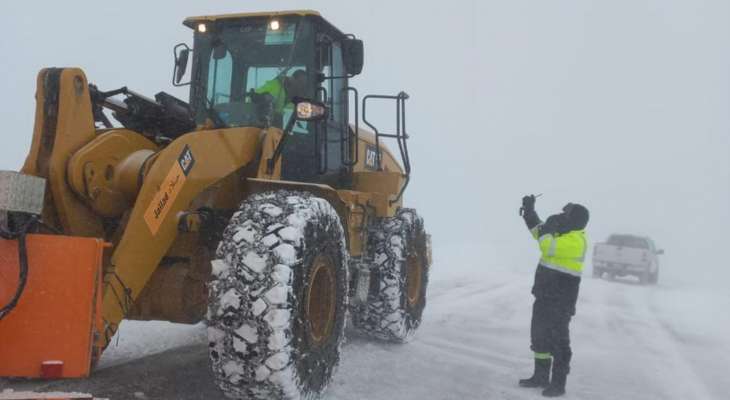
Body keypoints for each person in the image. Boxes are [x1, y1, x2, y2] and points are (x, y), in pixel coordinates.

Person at [518, 195, 589, 397]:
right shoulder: (560, 233)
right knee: (539, 336)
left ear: (575, 220)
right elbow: (537, 231)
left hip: (561, 301)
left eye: (566, 215)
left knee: (559, 341)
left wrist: (548, 227)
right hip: (544, 296)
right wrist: (530, 212)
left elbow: (546, 245)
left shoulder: (576, 241)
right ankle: (540, 376)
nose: (561, 216)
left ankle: (558, 383)